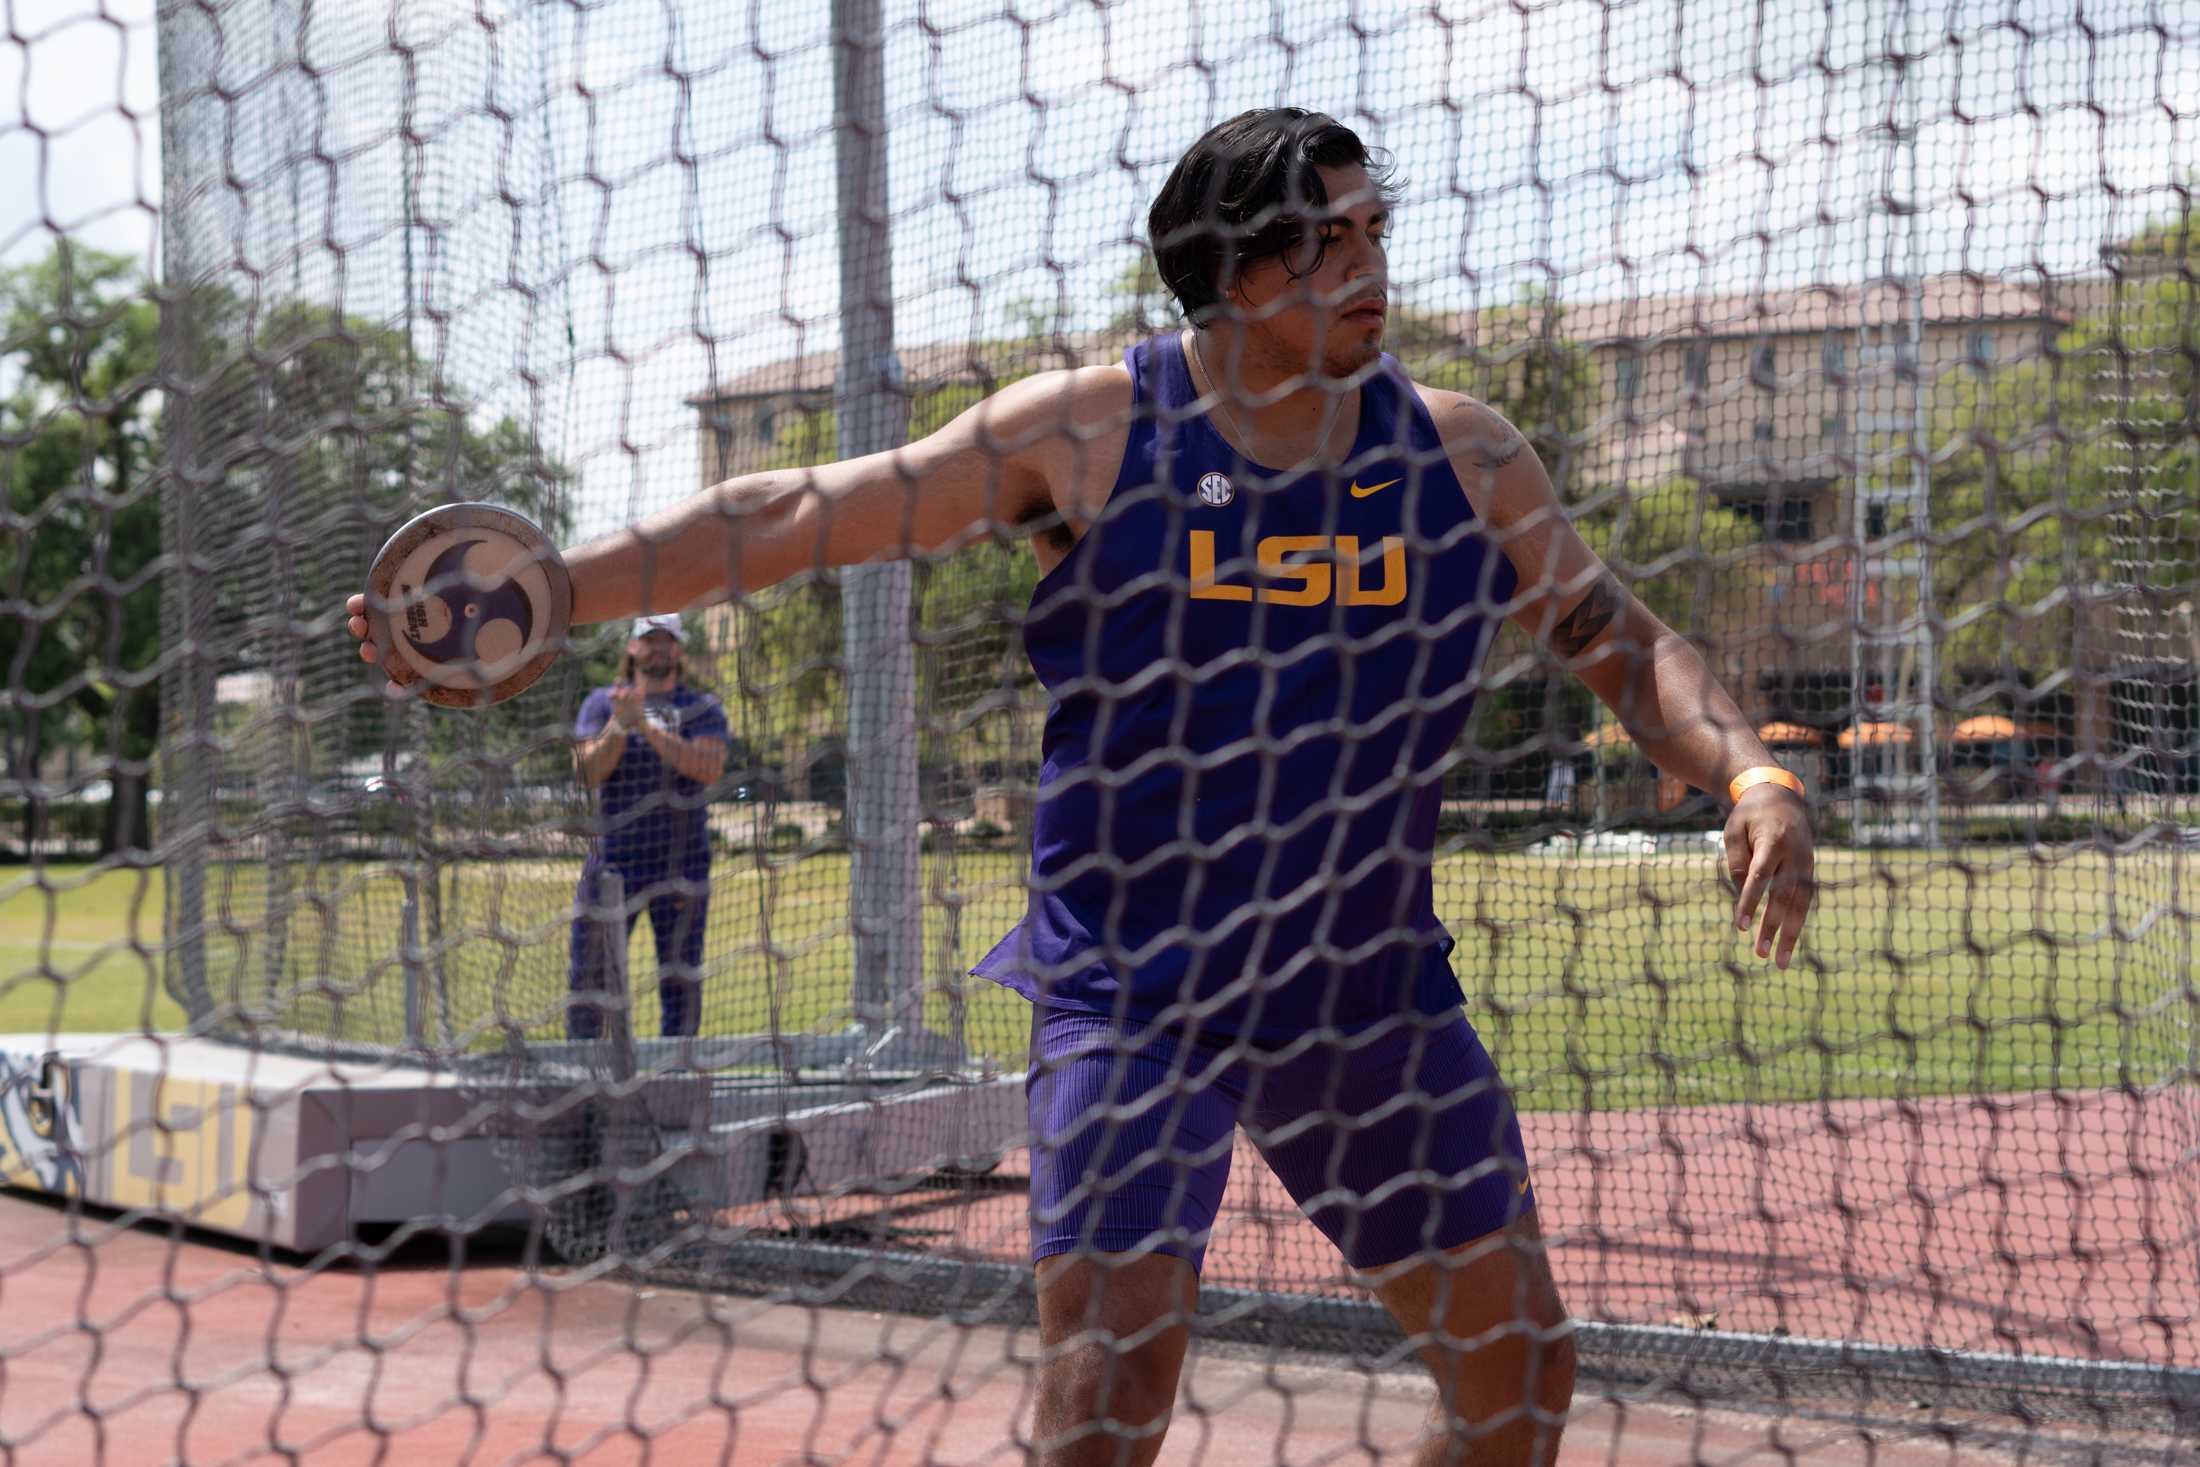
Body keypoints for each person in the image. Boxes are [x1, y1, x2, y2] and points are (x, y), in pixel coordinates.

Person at [349, 107, 1816, 1467]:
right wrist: (549, 592)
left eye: (1380, 232)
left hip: (1368, 990)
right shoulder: (1094, 432)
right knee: (1107, 1405)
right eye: (1337, 243)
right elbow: (797, 512)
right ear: (1238, 278)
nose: (1378, 269)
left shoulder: (1462, 450)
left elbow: (1619, 640)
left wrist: (1751, 771)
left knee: (1520, 1384)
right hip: (1134, 986)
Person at [566, 613, 729, 1040]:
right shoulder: (603, 703)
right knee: (589, 977)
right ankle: (584, 1078)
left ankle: (675, 1074)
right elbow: (586, 774)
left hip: (682, 864)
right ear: (632, 648)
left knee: (680, 979)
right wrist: (621, 724)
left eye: (667, 640)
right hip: (613, 863)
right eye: (649, 639)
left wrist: (647, 726)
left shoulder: (702, 707)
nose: (658, 648)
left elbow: (708, 767)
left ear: (678, 649)